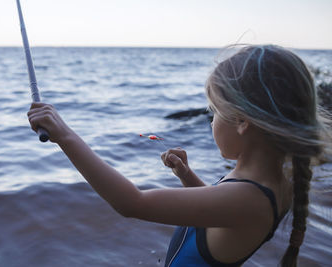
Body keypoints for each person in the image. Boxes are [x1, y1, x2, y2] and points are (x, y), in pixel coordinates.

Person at [27, 45, 331, 267]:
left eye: (215, 112)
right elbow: (217, 213)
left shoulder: (249, 199)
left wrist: (65, 137)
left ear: (242, 122)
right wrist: (186, 175)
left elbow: (131, 203)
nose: (211, 121)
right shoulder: (274, 181)